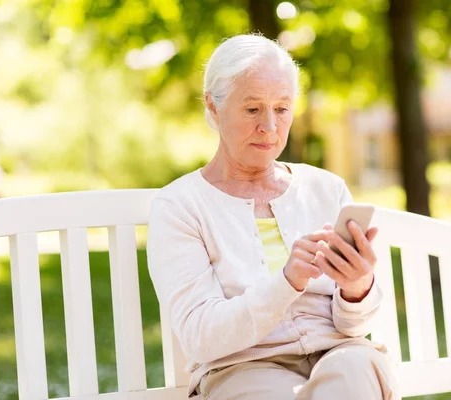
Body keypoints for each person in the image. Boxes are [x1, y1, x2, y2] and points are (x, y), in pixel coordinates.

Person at [147, 34, 399, 400]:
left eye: (282, 109)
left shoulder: (326, 188)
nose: (269, 126)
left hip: (338, 355)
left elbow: (354, 325)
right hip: (242, 368)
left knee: (357, 367)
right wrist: (287, 281)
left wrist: (357, 287)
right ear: (213, 107)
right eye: (252, 109)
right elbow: (200, 337)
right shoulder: (180, 206)